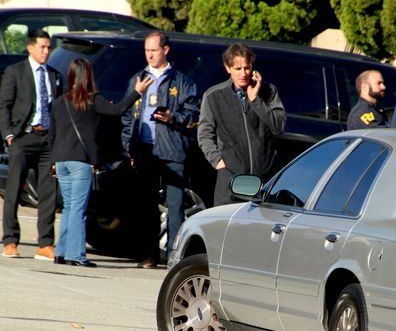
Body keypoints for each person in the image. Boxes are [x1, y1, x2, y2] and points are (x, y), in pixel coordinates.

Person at [121, 31, 200, 268]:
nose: (150, 55)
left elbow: (194, 115)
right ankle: (149, 254)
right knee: (146, 205)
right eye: (147, 50)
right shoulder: (137, 79)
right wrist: (129, 148)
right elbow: (127, 115)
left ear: (165, 50)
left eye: (154, 50)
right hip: (144, 149)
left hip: (172, 150)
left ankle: (175, 257)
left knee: (175, 206)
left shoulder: (183, 81)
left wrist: (172, 117)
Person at [51, 58, 137, 268]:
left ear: (71, 75)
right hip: (80, 161)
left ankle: (61, 252)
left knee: (69, 207)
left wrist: (53, 162)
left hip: (61, 160)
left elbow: (52, 135)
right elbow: (118, 110)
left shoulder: (59, 102)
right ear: (89, 76)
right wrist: (137, 92)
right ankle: (76, 255)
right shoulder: (92, 100)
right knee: (79, 209)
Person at [0, 29, 61, 261]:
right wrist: (9, 134)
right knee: (14, 189)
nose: (46, 51)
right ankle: (10, 240)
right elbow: (3, 105)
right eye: (42, 47)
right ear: (30, 47)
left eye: (49, 47)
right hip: (23, 137)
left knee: (48, 192)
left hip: (47, 139)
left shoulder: (54, 74)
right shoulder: (16, 71)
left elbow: (58, 108)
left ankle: (45, 243)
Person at [197, 43, 286, 207]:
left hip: (264, 180)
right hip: (230, 180)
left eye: (247, 67)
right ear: (228, 68)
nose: (243, 73)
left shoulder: (268, 91)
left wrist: (256, 100)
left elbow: (278, 127)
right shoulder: (213, 96)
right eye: (238, 68)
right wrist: (218, 162)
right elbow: (204, 134)